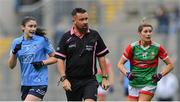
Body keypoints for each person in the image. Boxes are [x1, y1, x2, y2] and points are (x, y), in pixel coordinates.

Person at [54, 8, 110, 101]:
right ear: (74, 20)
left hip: (90, 80)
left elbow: (101, 57)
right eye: (81, 19)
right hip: (72, 81)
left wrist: (104, 77)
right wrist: (64, 79)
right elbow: (60, 59)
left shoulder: (94, 35)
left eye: (86, 19)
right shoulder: (66, 37)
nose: (85, 22)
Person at [117, 21, 174, 101]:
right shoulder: (132, 47)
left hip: (149, 83)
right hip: (134, 83)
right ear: (139, 33)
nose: (148, 34)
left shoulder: (157, 48)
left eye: (150, 31)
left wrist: (160, 75)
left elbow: (170, 65)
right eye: (145, 31)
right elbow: (120, 64)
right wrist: (127, 73)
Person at [8, 16, 57, 101]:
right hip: (25, 83)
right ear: (23, 27)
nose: (33, 28)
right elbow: (11, 66)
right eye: (30, 26)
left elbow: (55, 58)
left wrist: (42, 62)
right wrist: (14, 52)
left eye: (35, 26)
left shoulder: (42, 40)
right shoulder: (16, 42)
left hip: (39, 82)